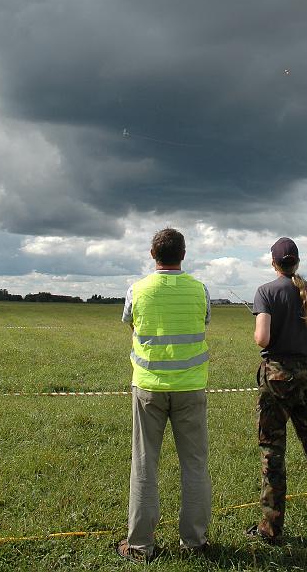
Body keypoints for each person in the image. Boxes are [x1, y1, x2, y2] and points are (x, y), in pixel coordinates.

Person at [117, 228, 212, 562]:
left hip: (148, 388)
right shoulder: (200, 289)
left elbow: (132, 325)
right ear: (183, 254)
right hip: (191, 388)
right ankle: (195, 543)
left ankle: (140, 546)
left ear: (152, 254)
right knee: (195, 465)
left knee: (144, 464)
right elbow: (203, 322)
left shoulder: (137, 289)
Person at [249, 237, 307, 543]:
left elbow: (262, 339)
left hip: (276, 378)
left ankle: (271, 526)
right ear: (297, 262)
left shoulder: (265, 291)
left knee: (272, 451)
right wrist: (304, 339)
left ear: (273, 263)